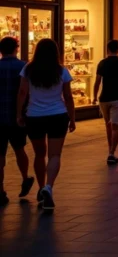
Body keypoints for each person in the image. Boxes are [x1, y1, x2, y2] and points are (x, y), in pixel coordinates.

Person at [16, 39, 75, 211]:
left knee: (39, 154)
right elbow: (68, 97)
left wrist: (19, 114)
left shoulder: (28, 69)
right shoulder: (62, 71)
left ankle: (41, 188)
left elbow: (22, 93)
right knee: (55, 154)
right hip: (58, 115)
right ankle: (49, 186)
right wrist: (72, 118)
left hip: (34, 116)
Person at [0, 37, 33, 206]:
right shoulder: (24, 67)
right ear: (16, 49)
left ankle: (0, 190)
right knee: (20, 149)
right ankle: (25, 177)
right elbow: (27, 92)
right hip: (17, 117)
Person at [93, 40, 118, 164]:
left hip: (104, 98)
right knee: (115, 127)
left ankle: (110, 150)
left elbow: (97, 81)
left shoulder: (102, 63)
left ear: (107, 49)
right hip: (117, 98)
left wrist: (94, 96)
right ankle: (112, 152)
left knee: (108, 125)